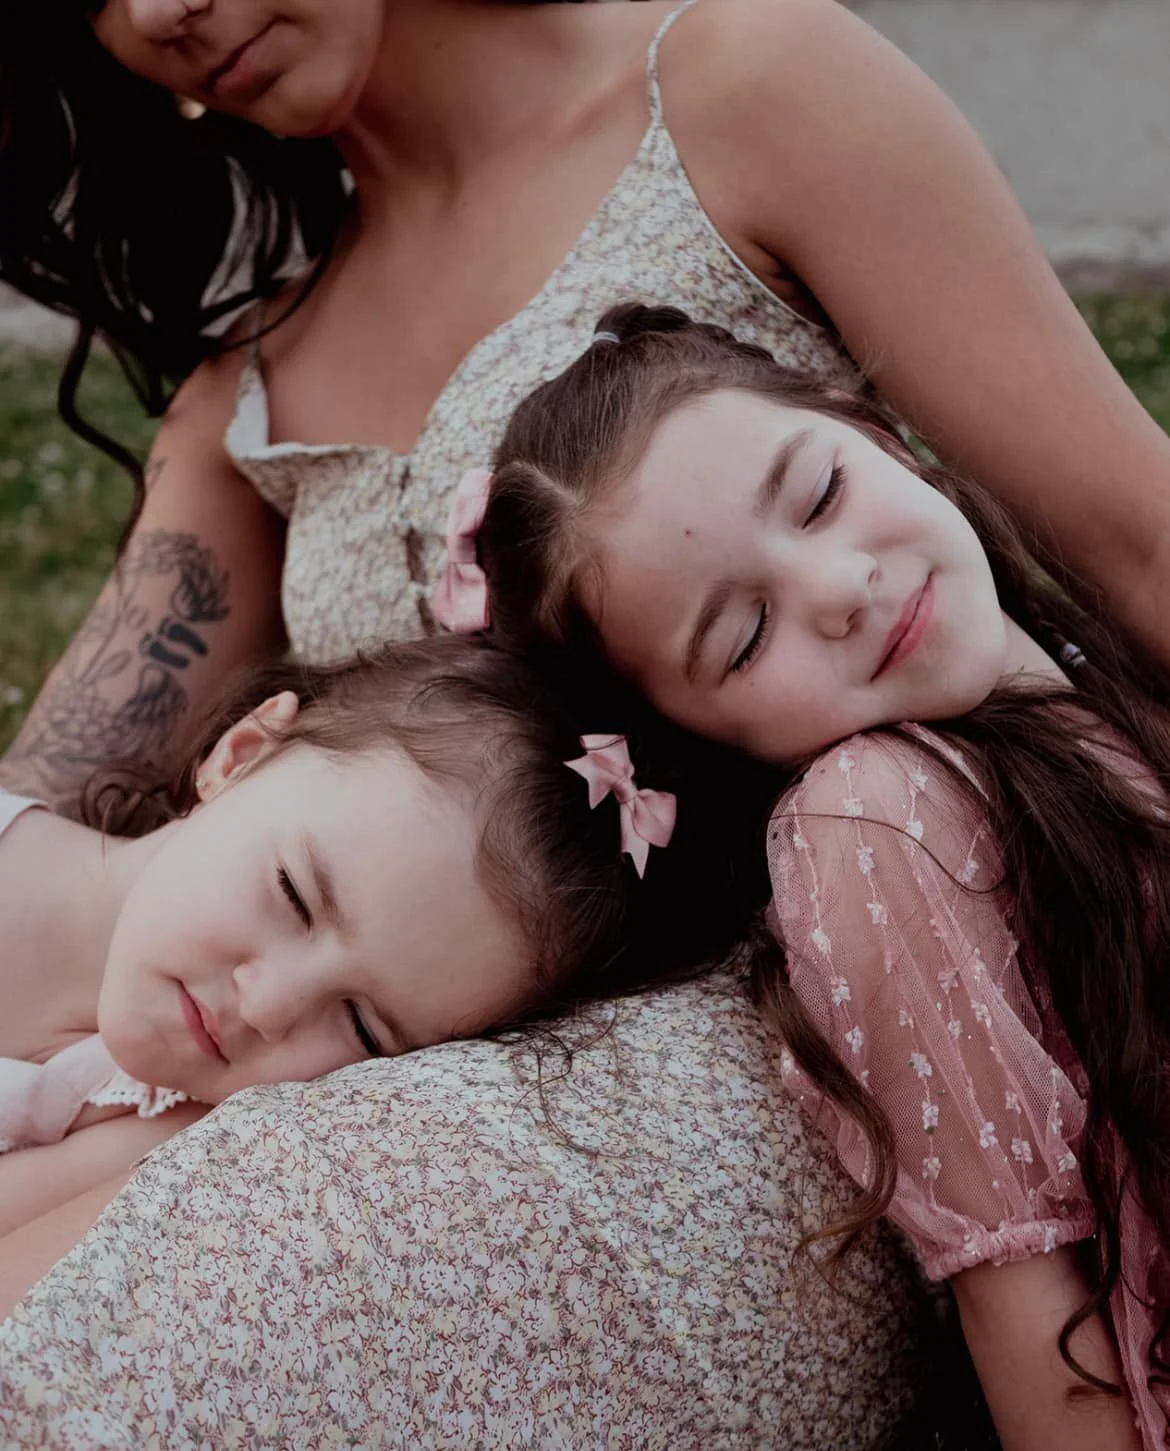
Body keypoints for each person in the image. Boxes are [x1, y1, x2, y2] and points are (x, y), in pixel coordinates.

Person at [2, 0, 1168, 1439]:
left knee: (252, 1233)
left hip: (789, 1065)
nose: (162, 10)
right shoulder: (252, 379)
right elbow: (55, 812)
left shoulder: (738, 83)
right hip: (379, 1049)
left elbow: (1140, 539)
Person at [469, 301, 1170, 1447]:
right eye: (744, 638)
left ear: (872, 428)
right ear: (702, 743)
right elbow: (1036, 1316)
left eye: (820, 494)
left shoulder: (1108, 654)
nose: (841, 588)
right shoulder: (876, 822)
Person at [0, 631, 756, 1224]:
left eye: (362, 1027)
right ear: (239, 756)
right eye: (294, 896)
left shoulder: (172, 1140)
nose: (270, 1006)